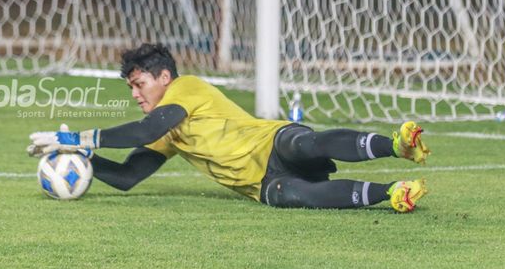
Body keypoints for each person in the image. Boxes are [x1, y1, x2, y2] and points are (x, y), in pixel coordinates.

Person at [27, 43, 429, 211]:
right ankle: (392, 194)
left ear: (164, 77)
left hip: (271, 142)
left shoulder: (186, 89)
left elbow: (143, 131)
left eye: (139, 84)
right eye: (131, 87)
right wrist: (81, 155)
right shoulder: (166, 129)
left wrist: (73, 136)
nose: (135, 93)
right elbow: (130, 175)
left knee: (305, 146)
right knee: (294, 195)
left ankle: (397, 144)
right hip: (260, 184)